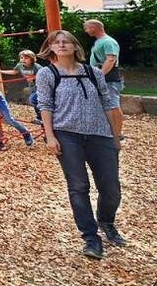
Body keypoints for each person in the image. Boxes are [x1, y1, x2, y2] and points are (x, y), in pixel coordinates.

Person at [36, 30, 124, 259]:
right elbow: (45, 105)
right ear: (51, 48)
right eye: (57, 42)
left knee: (111, 188)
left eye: (67, 42)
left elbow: (108, 103)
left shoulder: (93, 72)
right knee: (79, 186)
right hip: (67, 134)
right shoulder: (48, 74)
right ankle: (90, 238)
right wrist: (50, 136)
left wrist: (115, 136)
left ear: (76, 47)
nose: (62, 45)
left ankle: (106, 221)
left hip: (99, 133)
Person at [83, 19, 124, 107]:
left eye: (87, 28)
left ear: (93, 28)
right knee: (105, 104)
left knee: (112, 104)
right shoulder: (99, 41)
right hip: (103, 77)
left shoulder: (108, 42)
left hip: (108, 78)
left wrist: (100, 75)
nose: (86, 31)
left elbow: (110, 60)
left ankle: (116, 121)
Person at [15, 49, 42, 124]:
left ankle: (41, 117)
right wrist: (0, 71)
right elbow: (14, 72)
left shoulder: (36, 66)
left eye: (26, 58)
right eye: (21, 58)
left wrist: (34, 76)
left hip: (41, 87)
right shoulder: (20, 66)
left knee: (33, 100)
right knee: (35, 102)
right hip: (33, 87)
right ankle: (40, 118)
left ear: (32, 59)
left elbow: (44, 74)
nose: (23, 60)